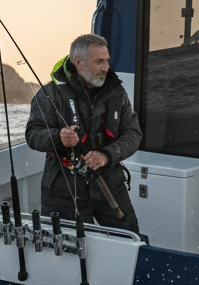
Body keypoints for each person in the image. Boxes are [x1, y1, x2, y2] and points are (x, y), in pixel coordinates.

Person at [25, 34, 141, 232]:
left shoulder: (117, 92)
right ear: (78, 62)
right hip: (63, 193)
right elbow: (33, 133)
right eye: (99, 62)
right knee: (66, 248)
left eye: (107, 61)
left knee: (130, 240)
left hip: (111, 187)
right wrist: (59, 137)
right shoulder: (49, 94)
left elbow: (133, 133)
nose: (106, 67)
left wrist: (107, 155)